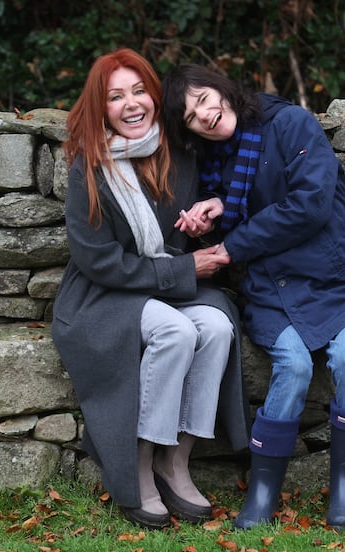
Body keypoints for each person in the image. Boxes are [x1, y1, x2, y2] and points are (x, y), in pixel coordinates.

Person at [162, 64, 345, 530]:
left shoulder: (291, 124)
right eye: (190, 116)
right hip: (271, 291)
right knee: (296, 365)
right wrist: (212, 214)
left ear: (223, 89)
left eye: (204, 99)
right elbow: (238, 205)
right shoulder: (216, 161)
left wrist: (233, 244)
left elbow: (310, 203)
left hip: (337, 281)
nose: (204, 115)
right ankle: (262, 493)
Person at [50, 49, 250, 530]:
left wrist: (202, 223)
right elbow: (96, 259)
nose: (132, 104)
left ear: (154, 96)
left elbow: (194, 232)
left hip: (167, 283)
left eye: (139, 90)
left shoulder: (179, 150)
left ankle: (175, 461)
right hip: (105, 294)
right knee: (178, 333)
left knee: (218, 327)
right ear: (101, 107)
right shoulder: (90, 164)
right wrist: (182, 273)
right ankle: (137, 465)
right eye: (116, 96)